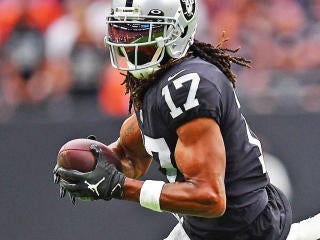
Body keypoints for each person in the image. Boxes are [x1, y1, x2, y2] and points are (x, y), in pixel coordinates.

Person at [53, 1, 320, 239]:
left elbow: (210, 198)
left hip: (247, 232)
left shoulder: (188, 87)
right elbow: (129, 160)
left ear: (177, 31)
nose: (130, 41)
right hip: (202, 230)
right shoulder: (154, 85)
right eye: (125, 30)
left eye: (143, 31)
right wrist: (90, 167)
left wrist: (121, 187)